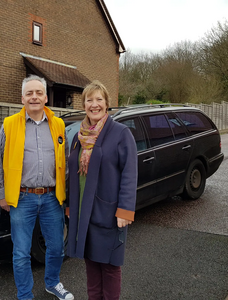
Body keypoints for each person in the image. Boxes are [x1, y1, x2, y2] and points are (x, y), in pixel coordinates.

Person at [0, 75, 73, 300]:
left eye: (38, 93)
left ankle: (52, 283)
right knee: (20, 253)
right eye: (29, 93)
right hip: (22, 198)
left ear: (46, 97)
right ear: (22, 98)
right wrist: (1, 195)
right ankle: (25, 295)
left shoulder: (58, 125)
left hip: (51, 198)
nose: (34, 97)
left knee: (57, 248)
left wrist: (65, 196)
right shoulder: (9, 125)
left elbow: (65, 162)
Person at [67, 80, 137, 300]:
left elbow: (129, 173)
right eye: (89, 100)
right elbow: (73, 175)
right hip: (84, 212)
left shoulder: (120, 133)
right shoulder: (79, 137)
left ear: (107, 103)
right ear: (84, 104)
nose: (94, 104)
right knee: (91, 264)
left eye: (99, 99)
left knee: (109, 266)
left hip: (109, 212)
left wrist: (125, 210)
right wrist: (70, 206)